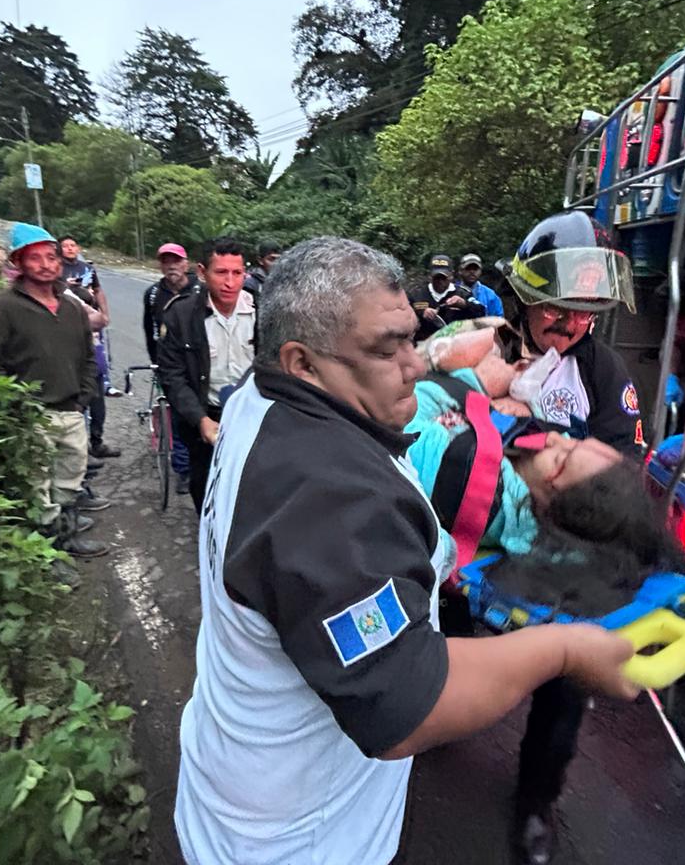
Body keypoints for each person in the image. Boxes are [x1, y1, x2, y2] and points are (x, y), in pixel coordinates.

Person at [173, 236, 638, 865]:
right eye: (388, 348)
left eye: (410, 339)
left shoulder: (260, 397)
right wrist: (564, 650)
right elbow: (406, 702)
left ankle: (536, 800)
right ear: (303, 361)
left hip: (259, 780)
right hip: (299, 836)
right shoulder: (333, 500)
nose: (417, 366)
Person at [406, 363, 685, 863]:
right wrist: (493, 411)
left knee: (566, 681)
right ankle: (435, 715)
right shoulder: (527, 446)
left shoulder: (605, 377)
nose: (553, 437)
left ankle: (537, 799)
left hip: (547, 555)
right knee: (447, 635)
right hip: (476, 556)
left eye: (565, 450)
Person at [0, 222, 106, 557]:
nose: (46, 264)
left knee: (70, 480)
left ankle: (67, 538)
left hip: (71, 411)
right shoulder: (1, 307)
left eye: (52, 257)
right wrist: (19, 406)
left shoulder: (72, 307)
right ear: (17, 262)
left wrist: (82, 398)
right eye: (35, 258)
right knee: (37, 489)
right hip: (32, 417)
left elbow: (88, 357)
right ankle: (47, 555)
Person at [506, 209, 644, 452]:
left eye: (583, 314)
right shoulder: (488, 351)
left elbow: (622, 459)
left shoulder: (602, 370)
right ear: (523, 301)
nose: (569, 327)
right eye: (555, 310)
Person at [157, 237, 255, 514]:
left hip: (250, 415)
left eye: (237, 273)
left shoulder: (261, 311)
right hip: (205, 417)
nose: (230, 282)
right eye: (221, 272)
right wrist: (200, 420)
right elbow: (172, 376)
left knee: (250, 483)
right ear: (202, 272)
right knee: (204, 485)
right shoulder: (180, 315)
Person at [143, 242, 202, 490]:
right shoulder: (153, 294)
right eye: (166, 262)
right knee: (177, 416)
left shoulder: (201, 290)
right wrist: (155, 360)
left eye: (176, 261)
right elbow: (150, 330)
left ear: (185, 263)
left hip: (199, 361)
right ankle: (183, 469)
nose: (171, 266)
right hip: (169, 362)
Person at [58, 236, 119, 458]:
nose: (70, 249)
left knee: (96, 384)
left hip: (92, 330)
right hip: (67, 332)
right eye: (65, 246)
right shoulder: (57, 269)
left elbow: (98, 290)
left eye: (73, 245)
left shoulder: (87, 268)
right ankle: (78, 449)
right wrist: (66, 286)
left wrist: (105, 313)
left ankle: (97, 441)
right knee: (77, 391)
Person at [408, 253, 486, 341]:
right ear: (430, 276)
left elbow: (481, 311)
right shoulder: (417, 293)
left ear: (451, 275)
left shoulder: (463, 293)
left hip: (455, 345)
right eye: (437, 277)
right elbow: (405, 313)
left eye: (443, 278)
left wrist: (463, 304)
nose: (440, 281)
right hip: (424, 345)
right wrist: (421, 312)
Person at [457, 252, 505, 317]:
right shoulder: (452, 291)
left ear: (480, 271)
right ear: (460, 271)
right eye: (468, 268)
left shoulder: (490, 295)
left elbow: (498, 319)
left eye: (475, 269)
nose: (472, 272)